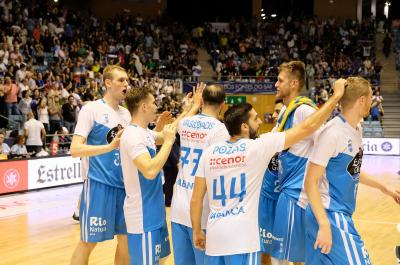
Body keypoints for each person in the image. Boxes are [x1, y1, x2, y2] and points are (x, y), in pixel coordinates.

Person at [190, 78, 345, 265]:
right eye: (255, 119)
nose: (260, 121)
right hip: (242, 240)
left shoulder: (209, 153)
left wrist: (197, 230)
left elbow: (196, 198)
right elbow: (307, 127)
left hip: (215, 236)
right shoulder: (257, 147)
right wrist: (336, 96)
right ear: (244, 127)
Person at [304, 76, 400, 265]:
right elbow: (310, 182)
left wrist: (385, 188)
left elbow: (352, 171)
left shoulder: (356, 129)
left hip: (334, 214)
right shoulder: (332, 133)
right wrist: (324, 223)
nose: (373, 101)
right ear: (362, 100)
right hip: (330, 214)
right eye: (371, 96)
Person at [119, 84, 203, 265]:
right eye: (153, 103)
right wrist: (168, 143)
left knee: (160, 261)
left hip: (154, 213)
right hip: (142, 217)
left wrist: (190, 109)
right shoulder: (132, 136)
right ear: (144, 107)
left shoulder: (143, 132)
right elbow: (149, 170)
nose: (157, 107)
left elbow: (171, 130)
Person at [70, 65, 131, 265]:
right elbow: (75, 149)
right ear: (107, 83)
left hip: (123, 187)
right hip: (98, 185)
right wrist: (110, 147)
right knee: (88, 242)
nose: (126, 84)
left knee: (126, 241)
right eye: (121, 80)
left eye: (127, 80)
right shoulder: (91, 109)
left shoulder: (126, 114)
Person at [170, 84, 230, 265]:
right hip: (202, 211)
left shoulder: (185, 122)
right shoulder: (220, 130)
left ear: (202, 100)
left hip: (178, 206)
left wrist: (194, 106)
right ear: (223, 104)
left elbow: (173, 128)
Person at [270, 61, 319, 264]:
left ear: (294, 84)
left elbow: (325, 145)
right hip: (286, 186)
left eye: (280, 80)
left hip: (298, 191)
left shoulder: (304, 110)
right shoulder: (285, 110)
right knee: (293, 254)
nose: (275, 84)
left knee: (283, 255)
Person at [259, 100, 288, 265]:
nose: (275, 115)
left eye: (279, 112)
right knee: (265, 251)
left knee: (294, 251)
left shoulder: (299, 141)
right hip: (268, 199)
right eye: (276, 111)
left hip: (287, 200)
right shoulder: (267, 138)